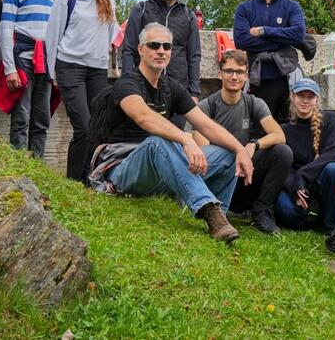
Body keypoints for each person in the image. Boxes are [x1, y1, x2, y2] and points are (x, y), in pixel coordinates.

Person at [99, 23, 254, 242]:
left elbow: (207, 125)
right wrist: (185, 139)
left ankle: (220, 218)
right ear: (141, 49)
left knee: (228, 154)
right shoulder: (127, 83)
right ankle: (208, 209)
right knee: (158, 141)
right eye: (154, 45)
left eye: (167, 46)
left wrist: (240, 150)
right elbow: (144, 117)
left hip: (161, 170)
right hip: (124, 169)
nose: (161, 50)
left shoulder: (171, 87)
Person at [190, 50, 292, 235]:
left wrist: (252, 145)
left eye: (239, 72)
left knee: (283, 152)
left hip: (246, 176)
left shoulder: (254, 103)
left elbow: (279, 135)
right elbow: (205, 155)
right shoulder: (207, 106)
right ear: (220, 74)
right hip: (219, 180)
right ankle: (217, 209)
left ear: (246, 76)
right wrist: (237, 153)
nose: (234, 76)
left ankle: (261, 211)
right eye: (229, 71)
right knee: (222, 156)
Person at [46, 0, 120, 182]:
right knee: (83, 126)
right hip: (70, 66)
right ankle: (73, 181)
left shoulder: (108, 2)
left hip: (97, 69)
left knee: (97, 128)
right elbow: (52, 37)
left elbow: (113, 35)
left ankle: (90, 180)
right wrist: (51, 73)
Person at [233, 0, 306, 122]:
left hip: (287, 75)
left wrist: (263, 31)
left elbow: (299, 35)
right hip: (259, 78)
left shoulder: (292, 7)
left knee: (292, 126)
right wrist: (284, 38)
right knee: (259, 128)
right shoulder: (245, 8)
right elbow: (241, 41)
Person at [120, 0, 201, 107]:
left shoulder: (189, 16)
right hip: (144, 89)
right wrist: (127, 85)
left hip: (178, 91)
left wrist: (194, 92)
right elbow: (128, 50)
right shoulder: (141, 10)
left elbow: (194, 56)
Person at [0, 0, 54, 157]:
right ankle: (19, 162)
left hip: (44, 62)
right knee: (21, 115)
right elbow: (6, 30)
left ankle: (37, 163)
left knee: (42, 118)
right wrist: (10, 69)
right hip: (23, 59)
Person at [275, 78, 335, 232]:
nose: (305, 101)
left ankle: (331, 224)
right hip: (297, 184)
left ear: (317, 99)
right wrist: (294, 188)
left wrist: (302, 175)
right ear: (292, 97)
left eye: (310, 97)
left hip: (320, 181)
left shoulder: (330, 119)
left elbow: (332, 155)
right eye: (301, 96)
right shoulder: (285, 130)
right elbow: (285, 167)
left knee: (333, 169)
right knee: (284, 209)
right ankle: (310, 219)